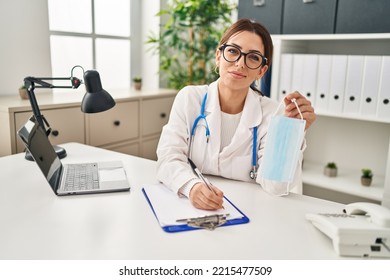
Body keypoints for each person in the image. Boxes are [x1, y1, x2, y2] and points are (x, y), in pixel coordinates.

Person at [156, 18, 316, 210]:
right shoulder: (190, 98)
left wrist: (292, 134)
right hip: (189, 207)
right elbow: (168, 157)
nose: (241, 64)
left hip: (248, 212)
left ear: (261, 71)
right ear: (218, 56)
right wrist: (192, 187)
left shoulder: (272, 113)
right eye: (233, 51)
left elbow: (276, 186)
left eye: (253, 57)